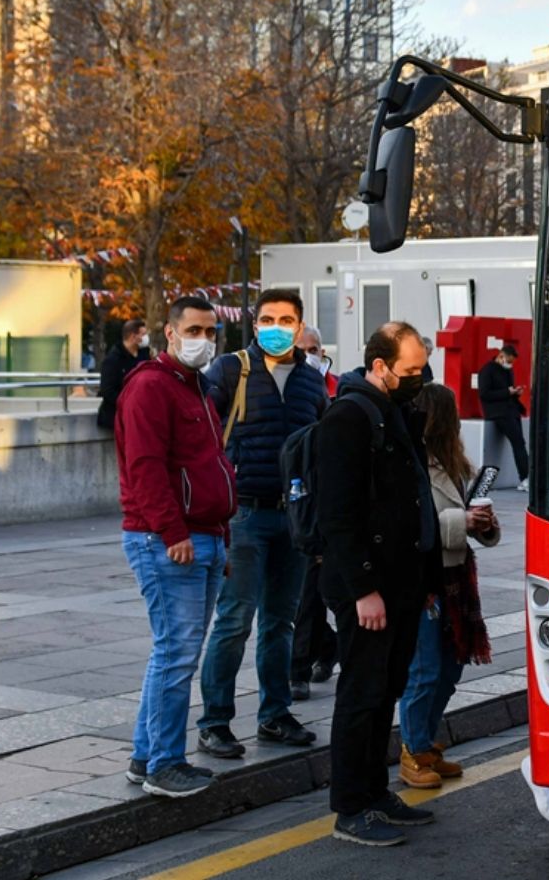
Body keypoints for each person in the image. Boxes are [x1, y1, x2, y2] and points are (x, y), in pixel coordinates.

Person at [313, 322, 441, 846]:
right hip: (367, 588)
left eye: (421, 369)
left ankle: (375, 791)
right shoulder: (347, 417)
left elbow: (414, 499)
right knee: (362, 693)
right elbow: (338, 516)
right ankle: (350, 806)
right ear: (380, 365)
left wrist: (426, 579)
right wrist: (364, 588)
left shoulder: (396, 411)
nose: (419, 379)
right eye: (410, 370)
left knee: (387, 688)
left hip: (403, 582)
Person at [195, 290, 329, 759]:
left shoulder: (314, 382)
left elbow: (322, 451)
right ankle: (214, 722)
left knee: (281, 622)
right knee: (234, 621)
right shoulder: (230, 370)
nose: (276, 326)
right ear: (254, 325)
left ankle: (275, 714)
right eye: (268, 319)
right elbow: (199, 431)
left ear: (299, 325)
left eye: (286, 319)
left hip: (292, 517)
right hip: (245, 516)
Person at [116, 296, 235, 798]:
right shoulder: (150, 387)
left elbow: (210, 464)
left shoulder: (196, 389)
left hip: (204, 537)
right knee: (176, 653)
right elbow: (144, 469)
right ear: (169, 332)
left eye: (210, 332)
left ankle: (147, 758)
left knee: (175, 652)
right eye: (193, 330)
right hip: (168, 539)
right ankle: (164, 763)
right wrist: (174, 534)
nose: (202, 340)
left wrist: (218, 537)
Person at [398, 383, 500, 789]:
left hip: (456, 575)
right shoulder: (410, 462)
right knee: (424, 669)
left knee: (452, 666)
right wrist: (463, 523)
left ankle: (425, 742)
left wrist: (486, 526)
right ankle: (412, 750)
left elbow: (476, 523)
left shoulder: (456, 462)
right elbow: (407, 525)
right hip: (424, 577)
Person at [291, 330, 339, 702]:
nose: (309, 356)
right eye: (302, 351)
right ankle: (327, 647)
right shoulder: (286, 389)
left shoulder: (336, 389)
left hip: (320, 504)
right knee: (297, 597)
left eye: (314, 350)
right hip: (289, 497)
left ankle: (298, 669)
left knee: (312, 594)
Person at [477, 344, 530, 492]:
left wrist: (515, 393)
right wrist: (507, 392)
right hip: (498, 412)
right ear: (501, 356)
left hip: (511, 411)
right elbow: (484, 394)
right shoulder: (487, 370)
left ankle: (526, 476)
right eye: (509, 360)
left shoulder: (508, 371)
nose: (510, 364)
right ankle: (524, 477)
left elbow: (507, 390)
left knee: (520, 442)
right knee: (518, 442)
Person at [96, 318, 151, 431]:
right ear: (132, 336)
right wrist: (129, 403)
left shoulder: (144, 355)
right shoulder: (113, 360)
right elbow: (107, 390)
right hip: (117, 418)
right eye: (143, 334)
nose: (146, 338)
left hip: (140, 416)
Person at [299, 326, 339, 397]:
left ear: (322, 353)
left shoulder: (340, 388)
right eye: (300, 352)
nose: (307, 357)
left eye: (313, 350)